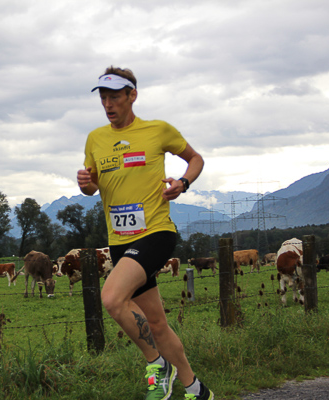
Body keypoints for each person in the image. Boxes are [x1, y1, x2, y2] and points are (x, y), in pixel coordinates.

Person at [77, 66, 213, 400]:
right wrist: (85, 184)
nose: (108, 104)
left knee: (112, 298)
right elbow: (92, 188)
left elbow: (195, 158)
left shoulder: (158, 130)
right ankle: (196, 389)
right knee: (156, 323)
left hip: (155, 233)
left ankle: (157, 364)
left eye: (114, 97)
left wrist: (183, 182)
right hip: (119, 242)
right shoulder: (95, 139)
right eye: (103, 98)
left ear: (132, 96)